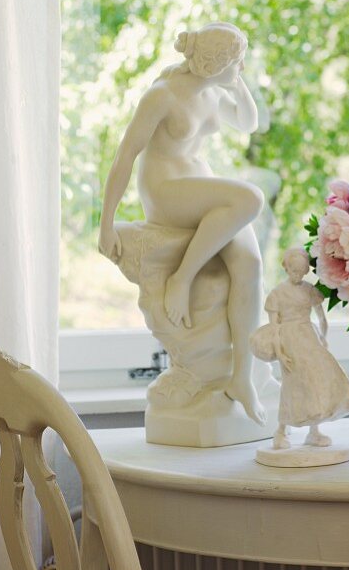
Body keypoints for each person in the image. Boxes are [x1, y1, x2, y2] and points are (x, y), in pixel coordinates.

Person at [98, 21, 267, 423]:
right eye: (235, 61)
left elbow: (249, 122)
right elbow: (125, 157)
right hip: (166, 193)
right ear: (212, 63)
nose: (241, 68)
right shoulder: (163, 95)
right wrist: (107, 223)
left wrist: (235, 79)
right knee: (251, 197)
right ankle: (182, 278)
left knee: (251, 264)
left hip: (197, 185)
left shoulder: (212, 89)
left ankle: (241, 376)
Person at [251, 248, 349, 448]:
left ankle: (314, 431)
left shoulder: (309, 290)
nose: (297, 275)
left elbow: (321, 317)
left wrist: (324, 337)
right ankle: (280, 431)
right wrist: (280, 352)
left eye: (301, 271)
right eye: (293, 271)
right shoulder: (278, 294)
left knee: (318, 379)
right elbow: (274, 328)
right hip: (290, 340)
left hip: (309, 337)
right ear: (286, 268)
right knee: (294, 384)